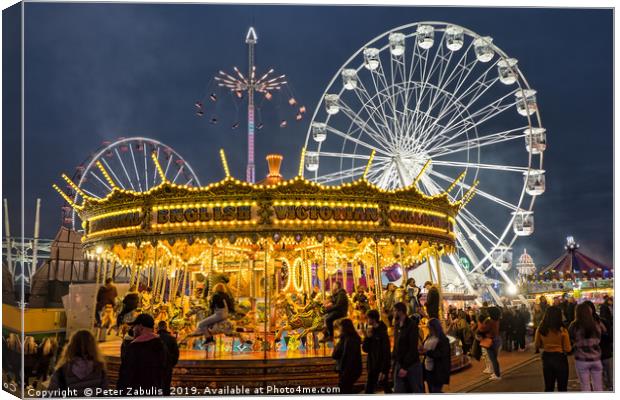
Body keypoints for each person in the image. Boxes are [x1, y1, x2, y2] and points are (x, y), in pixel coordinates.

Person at [47, 330, 108, 396]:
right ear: (93, 347)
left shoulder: (63, 370)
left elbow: (50, 394)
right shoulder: (99, 369)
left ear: (71, 346)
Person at [117, 313, 166, 395]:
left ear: (140, 326)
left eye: (134, 326)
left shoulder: (134, 348)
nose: (133, 329)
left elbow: (126, 375)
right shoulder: (161, 345)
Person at [568, 303, 605, 391]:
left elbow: (570, 340)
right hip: (596, 358)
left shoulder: (574, 326)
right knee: (598, 386)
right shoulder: (596, 324)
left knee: (585, 386)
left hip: (581, 359)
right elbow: (601, 337)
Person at [534, 306, 571, 391]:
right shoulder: (562, 330)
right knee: (562, 387)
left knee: (549, 387)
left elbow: (537, 345)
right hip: (560, 358)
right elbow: (567, 348)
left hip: (547, 357)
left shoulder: (541, 329)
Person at [391, 302, 423, 393]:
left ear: (400, 312)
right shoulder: (397, 325)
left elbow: (412, 347)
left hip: (411, 364)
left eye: (394, 311)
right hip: (399, 363)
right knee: (399, 390)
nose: (393, 313)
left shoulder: (412, 325)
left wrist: (405, 367)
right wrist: (394, 359)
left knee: (416, 390)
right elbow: (397, 344)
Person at [362, 309, 391, 394]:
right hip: (372, 365)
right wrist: (367, 337)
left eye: (368, 318)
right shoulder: (370, 331)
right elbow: (365, 349)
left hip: (380, 365)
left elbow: (386, 352)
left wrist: (384, 369)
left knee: (385, 387)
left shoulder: (382, 332)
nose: (367, 321)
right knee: (369, 389)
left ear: (373, 319)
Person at [331, 318, 362, 394]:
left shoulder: (347, 339)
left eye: (340, 327)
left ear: (344, 327)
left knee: (344, 389)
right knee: (346, 389)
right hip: (351, 369)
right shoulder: (353, 338)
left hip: (347, 370)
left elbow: (336, 354)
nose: (339, 329)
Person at [422, 318, 451, 393]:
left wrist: (427, 352)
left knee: (435, 391)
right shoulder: (429, 336)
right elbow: (425, 347)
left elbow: (441, 354)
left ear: (435, 327)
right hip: (428, 368)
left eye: (430, 327)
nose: (428, 329)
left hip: (438, 370)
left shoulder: (443, 339)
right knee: (432, 391)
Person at [478, 306, 502, 380]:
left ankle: (497, 375)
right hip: (497, 339)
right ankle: (496, 373)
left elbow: (482, 329)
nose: (487, 313)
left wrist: (479, 322)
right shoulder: (497, 320)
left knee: (493, 359)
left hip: (491, 341)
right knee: (495, 358)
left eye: (488, 312)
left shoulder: (490, 321)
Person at [157, 321, 180, 396]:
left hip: (156, 366)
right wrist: (171, 364)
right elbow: (176, 353)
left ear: (158, 327)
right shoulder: (172, 338)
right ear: (166, 327)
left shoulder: (154, 338)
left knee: (156, 385)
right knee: (166, 385)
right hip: (168, 366)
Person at [598, 299, 613, 391]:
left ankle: (608, 386)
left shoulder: (604, 322)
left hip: (601, 352)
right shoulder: (605, 322)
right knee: (607, 372)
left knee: (604, 372)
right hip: (605, 352)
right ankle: (609, 386)